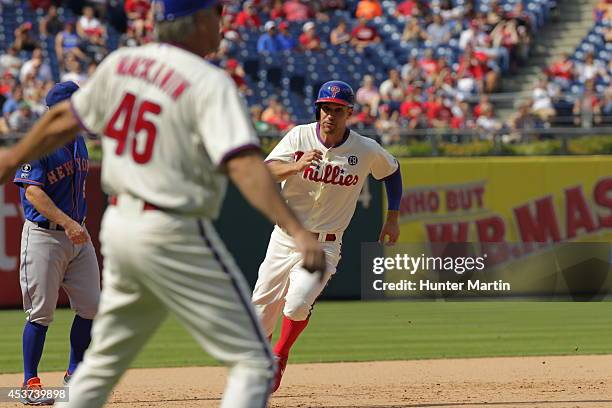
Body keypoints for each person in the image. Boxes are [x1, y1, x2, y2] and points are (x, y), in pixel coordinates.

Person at [0, 2, 327, 408]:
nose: (220, 25)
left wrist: (12, 159)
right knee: (253, 362)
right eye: (215, 15)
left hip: (121, 230)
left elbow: (62, 119)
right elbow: (243, 164)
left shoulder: (122, 64)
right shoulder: (208, 82)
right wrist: (296, 230)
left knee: (101, 364)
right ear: (196, 21)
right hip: (172, 231)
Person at [252, 80, 402, 393]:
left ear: (349, 112)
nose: (329, 115)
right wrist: (295, 165)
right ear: (318, 109)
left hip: (325, 243)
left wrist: (392, 218)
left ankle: (279, 355)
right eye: (325, 108)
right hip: (285, 237)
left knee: (296, 303)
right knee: (260, 313)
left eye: (337, 109)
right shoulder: (298, 136)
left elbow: (392, 172)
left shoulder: (364, 149)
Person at [13, 82, 99, 405]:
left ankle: (74, 374)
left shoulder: (78, 140)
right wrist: (67, 222)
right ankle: (29, 383)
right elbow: (32, 191)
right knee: (40, 313)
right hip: (44, 236)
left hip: (79, 236)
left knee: (91, 306)